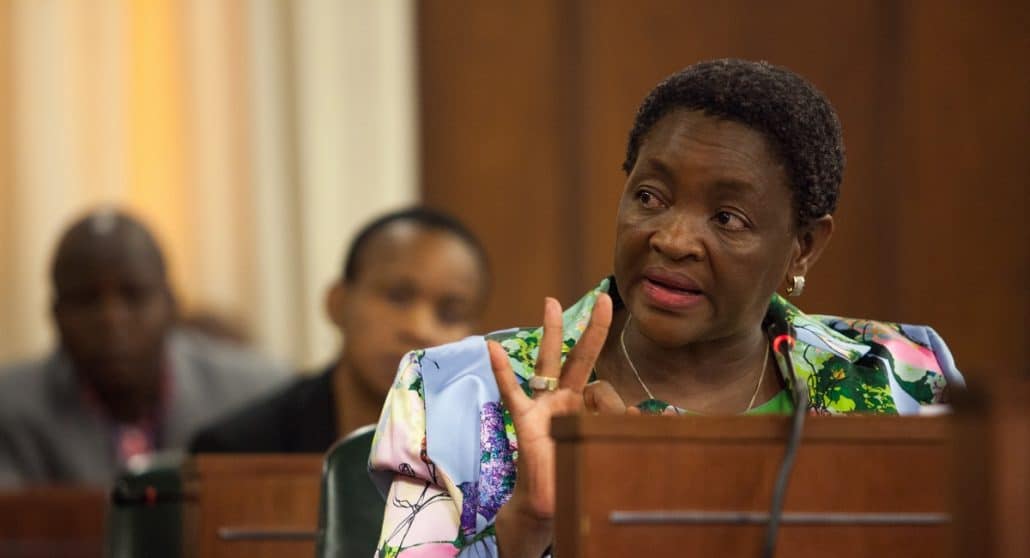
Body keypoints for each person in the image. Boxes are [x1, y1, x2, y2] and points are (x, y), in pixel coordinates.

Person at [368, 59, 964, 557]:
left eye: (728, 218)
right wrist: (529, 526)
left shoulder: (903, 384)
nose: (673, 239)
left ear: (803, 246)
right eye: (650, 196)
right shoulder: (457, 395)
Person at [0, 209, 288, 487]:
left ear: (172, 305)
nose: (111, 320)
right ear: (55, 314)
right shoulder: (11, 408)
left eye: (133, 295)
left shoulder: (257, 393)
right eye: (86, 300)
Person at [189, 207, 491, 454]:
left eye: (450, 314)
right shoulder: (237, 452)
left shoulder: (491, 456)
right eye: (397, 296)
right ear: (338, 303)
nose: (420, 329)